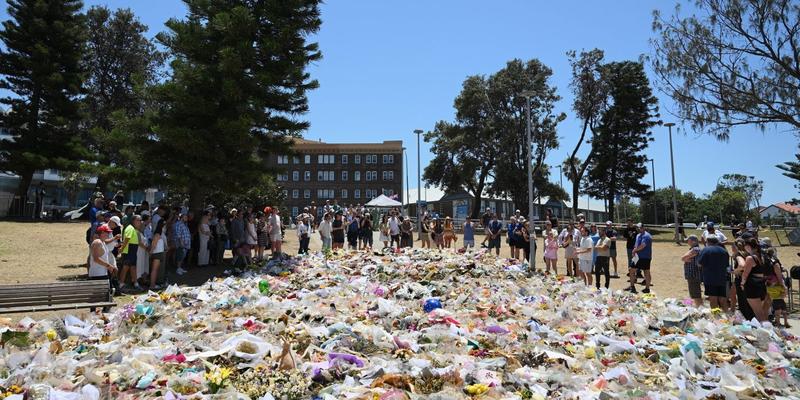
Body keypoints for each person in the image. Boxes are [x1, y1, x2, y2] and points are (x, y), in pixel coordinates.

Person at [738, 237, 769, 322]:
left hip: (752, 285)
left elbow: (745, 273)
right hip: (762, 283)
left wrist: (742, 283)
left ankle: (765, 329)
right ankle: (765, 326)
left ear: (748, 246)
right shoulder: (762, 256)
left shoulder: (750, 258)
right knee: (761, 311)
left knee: (758, 312)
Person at [88, 224, 117, 312]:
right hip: (97, 274)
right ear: (102, 233)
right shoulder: (97, 243)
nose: (108, 234)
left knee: (107, 294)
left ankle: (104, 311)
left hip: (102, 272)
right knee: (98, 295)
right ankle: (94, 312)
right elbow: (96, 259)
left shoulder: (102, 242)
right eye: (107, 233)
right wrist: (108, 266)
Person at [764, 247, 790, 327]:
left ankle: (766, 319)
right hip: (777, 286)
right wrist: (783, 285)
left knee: (768, 303)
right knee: (782, 310)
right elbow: (778, 273)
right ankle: (782, 322)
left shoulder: (764, 260)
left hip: (768, 284)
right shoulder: (774, 261)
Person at [118, 214, 142, 292]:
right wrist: (122, 249)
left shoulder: (134, 229)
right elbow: (127, 239)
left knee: (133, 267)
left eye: (141, 220)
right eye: (139, 220)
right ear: (133, 221)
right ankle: (121, 284)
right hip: (129, 250)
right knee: (125, 267)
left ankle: (136, 284)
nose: (140, 222)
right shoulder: (130, 228)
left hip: (133, 251)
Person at [628, 223, 653, 294]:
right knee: (631, 270)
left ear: (643, 227)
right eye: (637, 228)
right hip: (637, 257)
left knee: (646, 272)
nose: (638, 229)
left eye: (640, 227)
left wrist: (635, 250)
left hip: (645, 257)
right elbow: (636, 245)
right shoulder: (638, 235)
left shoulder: (647, 236)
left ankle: (647, 288)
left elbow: (643, 245)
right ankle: (632, 287)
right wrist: (634, 251)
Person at [680, 235, 704, 307]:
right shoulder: (694, 249)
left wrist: (686, 259)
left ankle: (699, 307)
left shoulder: (695, 249)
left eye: (688, 240)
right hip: (693, 274)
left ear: (693, 241)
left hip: (693, 274)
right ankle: (696, 306)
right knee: (693, 293)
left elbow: (683, 258)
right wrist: (686, 259)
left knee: (695, 294)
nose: (687, 242)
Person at [149, 218, 167, 289]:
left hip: (159, 253)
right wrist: (151, 252)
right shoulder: (157, 234)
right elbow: (154, 244)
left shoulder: (161, 233)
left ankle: (154, 284)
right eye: (164, 226)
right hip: (157, 253)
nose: (165, 227)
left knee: (156, 270)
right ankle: (152, 285)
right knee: (154, 269)